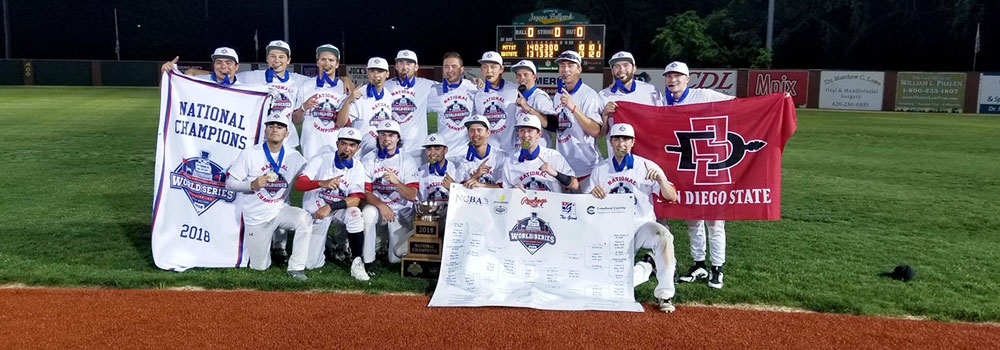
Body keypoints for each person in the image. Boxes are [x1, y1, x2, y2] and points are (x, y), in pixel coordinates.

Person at [584, 123, 678, 313]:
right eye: (617, 139)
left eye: (626, 139)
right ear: (610, 142)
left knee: (664, 237)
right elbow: (587, 205)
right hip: (612, 229)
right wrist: (592, 196)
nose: (621, 144)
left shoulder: (646, 166)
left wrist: (660, 180)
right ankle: (647, 266)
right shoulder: (601, 169)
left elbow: (672, 196)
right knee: (610, 285)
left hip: (642, 225)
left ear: (633, 142)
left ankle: (665, 294)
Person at [661, 61, 734, 289]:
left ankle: (717, 269)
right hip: (687, 169)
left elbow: (737, 105)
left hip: (710, 166)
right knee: (692, 220)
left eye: (677, 76)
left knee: (714, 222)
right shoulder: (664, 102)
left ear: (687, 79)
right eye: (669, 77)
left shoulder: (704, 95)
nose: (673, 80)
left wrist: (775, 100)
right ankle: (699, 264)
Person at [223, 113, 311, 281]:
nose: (274, 130)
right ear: (265, 131)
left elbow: (309, 176)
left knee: (304, 219)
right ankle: (265, 251)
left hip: (280, 210)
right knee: (259, 267)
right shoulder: (250, 154)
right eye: (271, 126)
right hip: (257, 217)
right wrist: (251, 185)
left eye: (279, 127)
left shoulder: (294, 157)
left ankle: (296, 268)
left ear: (287, 133)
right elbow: (229, 183)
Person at [295, 127, 370, 281]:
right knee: (311, 264)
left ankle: (357, 262)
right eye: (343, 144)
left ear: (358, 148)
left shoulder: (358, 167)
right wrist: (322, 182)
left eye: (352, 145)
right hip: (316, 210)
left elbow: (356, 199)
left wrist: (330, 207)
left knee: (355, 213)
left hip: (334, 209)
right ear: (337, 144)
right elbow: (300, 184)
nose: (347, 149)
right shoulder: (321, 159)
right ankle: (328, 245)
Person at [361, 120, 420, 264]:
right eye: (383, 134)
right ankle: (369, 261)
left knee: (395, 258)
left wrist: (396, 182)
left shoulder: (407, 160)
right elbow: (365, 192)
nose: (387, 139)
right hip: (378, 208)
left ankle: (385, 243)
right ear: (378, 137)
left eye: (391, 135)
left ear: (398, 138)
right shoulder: (369, 159)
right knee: (368, 213)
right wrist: (381, 205)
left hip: (400, 211)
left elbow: (412, 195)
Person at [550, 51, 603, 184]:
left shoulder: (588, 95)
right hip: (564, 166)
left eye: (570, 65)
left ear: (579, 69)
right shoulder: (558, 95)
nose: (565, 69)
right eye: (562, 65)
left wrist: (573, 108)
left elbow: (596, 131)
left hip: (586, 167)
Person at [294, 44, 353, 160]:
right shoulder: (306, 86)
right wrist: (304, 107)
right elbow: (296, 120)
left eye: (331, 60)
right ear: (317, 62)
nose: (327, 63)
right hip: (310, 149)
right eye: (323, 59)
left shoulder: (345, 89)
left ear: (337, 64)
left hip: (336, 148)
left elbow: (344, 122)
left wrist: (346, 79)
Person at [597, 51, 662, 152]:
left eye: (625, 65)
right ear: (612, 70)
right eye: (616, 66)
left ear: (634, 68)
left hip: (647, 153)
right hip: (618, 156)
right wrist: (605, 114)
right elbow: (600, 134)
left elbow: (661, 122)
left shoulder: (651, 91)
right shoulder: (604, 95)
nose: (621, 70)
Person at [496, 116, 578, 193]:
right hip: (524, 207)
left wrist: (555, 173)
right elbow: (504, 194)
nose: (525, 135)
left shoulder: (553, 156)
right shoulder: (510, 161)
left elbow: (575, 185)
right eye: (522, 130)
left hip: (551, 206)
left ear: (539, 134)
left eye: (529, 131)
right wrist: (512, 191)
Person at [384, 49, 434, 159]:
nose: (404, 67)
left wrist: (474, 81)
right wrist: (345, 80)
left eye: (409, 63)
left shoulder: (427, 85)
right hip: (392, 147)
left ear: (416, 67)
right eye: (401, 62)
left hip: (417, 148)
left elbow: (452, 86)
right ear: (396, 66)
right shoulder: (385, 86)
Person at [428, 52, 478, 159]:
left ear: (462, 69)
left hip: (467, 153)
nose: (450, 70)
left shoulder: (473, 88)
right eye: (446, 66)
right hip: (445, 154)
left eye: (454, 66)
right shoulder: (434, 91)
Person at [340, 57, 394, 157]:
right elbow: (342, 122)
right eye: (372, 71)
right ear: (367, 73)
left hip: (380, 154)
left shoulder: (389, 96)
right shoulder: (359, 94)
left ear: (387, 74)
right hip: (360, 154)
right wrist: (348, 101)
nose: (376, 74)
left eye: (380, 71)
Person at [472, 51, 519, 153]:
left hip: (511, 152)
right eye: (485, 67)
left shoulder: (514, 90)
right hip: (488, 153)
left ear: (501, 69)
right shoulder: (478, 94)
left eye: (493, 67)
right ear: (481, 69)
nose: (489, 71)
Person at [510, 60, 557, 149]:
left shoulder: (540, 97)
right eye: (518, 75)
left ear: (534, 76)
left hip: (540, 151)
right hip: (521, 150)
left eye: (525, 74)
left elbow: (553, 125)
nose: (522, 78)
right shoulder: (516, 96)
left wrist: (529, 108)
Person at [456, 114, 507, 188]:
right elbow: (459, 190)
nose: (475, 134)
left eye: (479, 130)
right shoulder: (464, 161)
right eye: (472, 131)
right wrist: (476, 176)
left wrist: (482, 185)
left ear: (488, 133)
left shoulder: (501, 156)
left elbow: (505, 187)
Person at [159, 47, 242, 86]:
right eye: (219, 62)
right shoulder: (199, 82)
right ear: (214, 66)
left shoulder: (245, 90)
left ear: (236, 67)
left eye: (228, 63)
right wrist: (165, 74)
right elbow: (168, 96)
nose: (223, 66)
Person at [417, 134, 457, 203]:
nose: (432, 153)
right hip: (427, 212)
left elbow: (465, 198)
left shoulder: (456, 169)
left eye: (437, 149)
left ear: (445, 150)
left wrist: (453, 188)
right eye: (429, 149)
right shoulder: (420, 171)